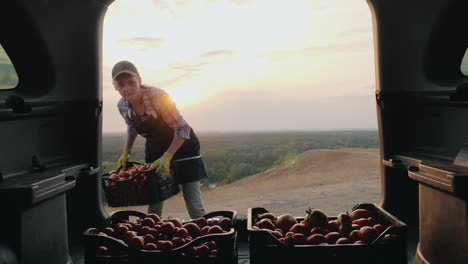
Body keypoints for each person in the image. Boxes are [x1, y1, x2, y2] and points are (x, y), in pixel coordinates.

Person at [112, 60, 207, 219]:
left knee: (192, 201)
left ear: (139, 80)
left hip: (184, 148)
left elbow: (182, 129)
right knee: (154, 199)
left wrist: (168, 156)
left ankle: (205, 237)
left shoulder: (158, 96)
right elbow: (132, 126)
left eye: (131, 82)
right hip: (156, 149)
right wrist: (126, 151)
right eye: (121, 85)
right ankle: (153, 235)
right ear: (115, 87)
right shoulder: (122, 105)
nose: (127, 89)